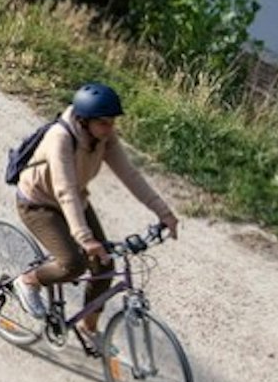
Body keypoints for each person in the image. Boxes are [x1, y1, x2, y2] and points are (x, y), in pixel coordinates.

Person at [12, 82, 177, 349]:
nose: (110, 129)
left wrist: (164, 212)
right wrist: (84, 238)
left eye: (112, 122)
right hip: (39, 203)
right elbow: (64, 189)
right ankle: (29, 280)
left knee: (105, 265)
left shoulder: (103, 137)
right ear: (84, 120)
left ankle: (87, 328)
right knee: (73, 264)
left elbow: (130, 175)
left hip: (77, 200)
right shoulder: (61, 138)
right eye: (104, 123)